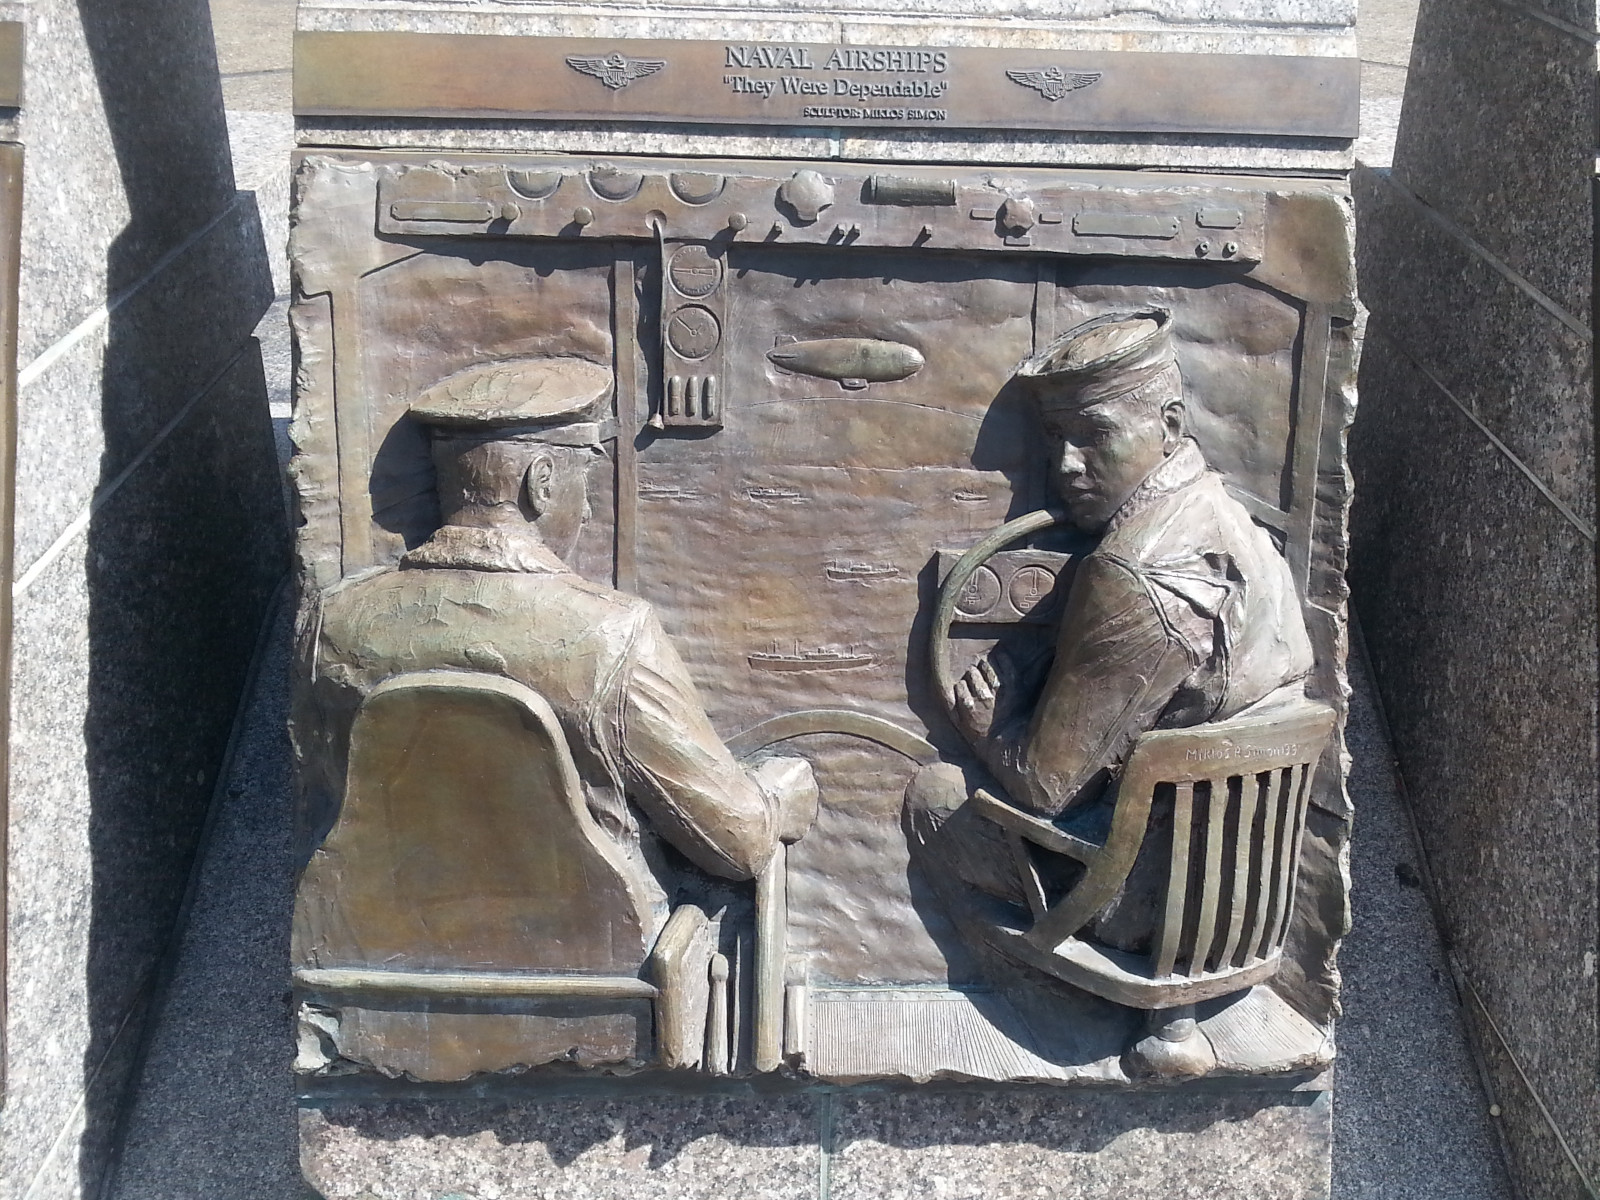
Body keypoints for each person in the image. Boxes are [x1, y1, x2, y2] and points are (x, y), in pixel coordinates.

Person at [294, 355, 818, 900]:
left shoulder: (332, 619)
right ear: (541, 483)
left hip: (369, 941)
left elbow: (322, 807)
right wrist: (779, 795)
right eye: (584, 480)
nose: (589, 511)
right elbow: (736, 845)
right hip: (598, 962)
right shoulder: (612, 636)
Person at [910, 308, 1314, 955]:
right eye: (1055, 440)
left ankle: (1033, 1014)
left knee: (934, 797)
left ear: (1170, 426)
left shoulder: (1132, 568)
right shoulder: (1234, 524)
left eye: (1093, 436)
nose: (1068, 465)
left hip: (1154, 903)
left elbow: (1046, 789)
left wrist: (991, 725)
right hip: (1243, 892)